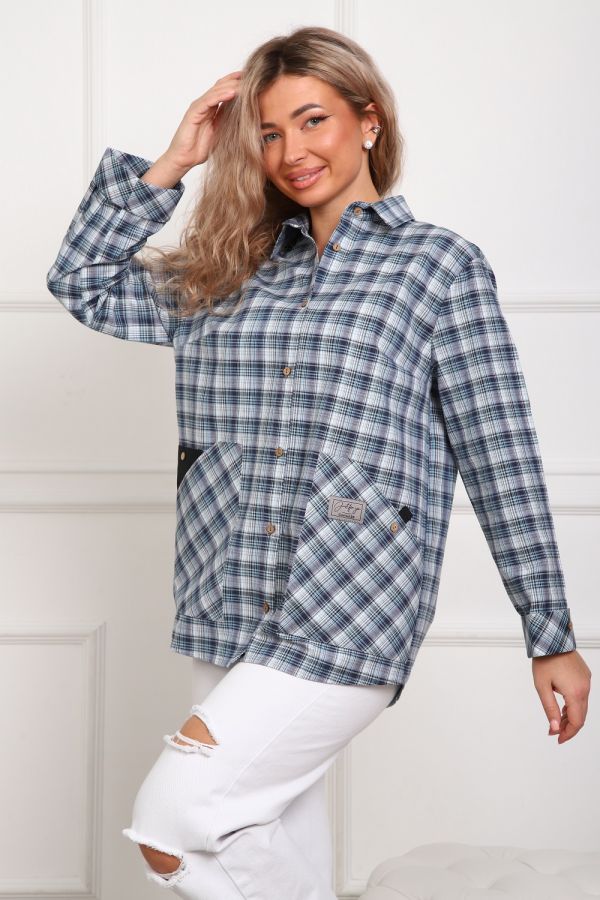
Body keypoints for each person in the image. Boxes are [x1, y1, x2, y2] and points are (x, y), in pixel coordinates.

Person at [46, 24, 591, 900]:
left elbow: (501, 453)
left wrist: (549, 632)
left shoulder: (437, 268)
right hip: (227, 593)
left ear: (368, 122)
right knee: (257, 837)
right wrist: (176, 159)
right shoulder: (228, 269)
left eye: (312, 121)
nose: (291, 152)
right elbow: (83, 281)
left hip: (348, 601)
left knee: (172, 821)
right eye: (268, 133)